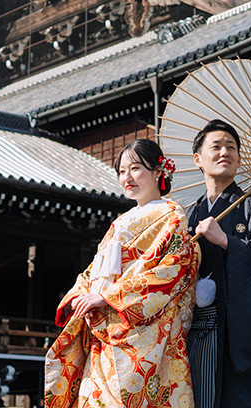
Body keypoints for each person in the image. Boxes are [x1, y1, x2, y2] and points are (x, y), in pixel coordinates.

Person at [44, 139, 200, 408]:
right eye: (121, 171)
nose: (127, 177)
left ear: (159, 171)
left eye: (136, 168)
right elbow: (95, 270)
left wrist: (106, 297)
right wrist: (80, 293)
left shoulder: (172, 214)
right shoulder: (119, 222)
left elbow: (168, 271)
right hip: (102, 327)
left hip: (140, 328)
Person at [187, 119, 251, 408]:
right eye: (216, 146)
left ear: (239, 159)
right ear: (198, 159)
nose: (224, 152)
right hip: (194, 330)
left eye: (231, 147)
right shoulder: (190, 215)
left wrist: (227, 242)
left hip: (239, 335)